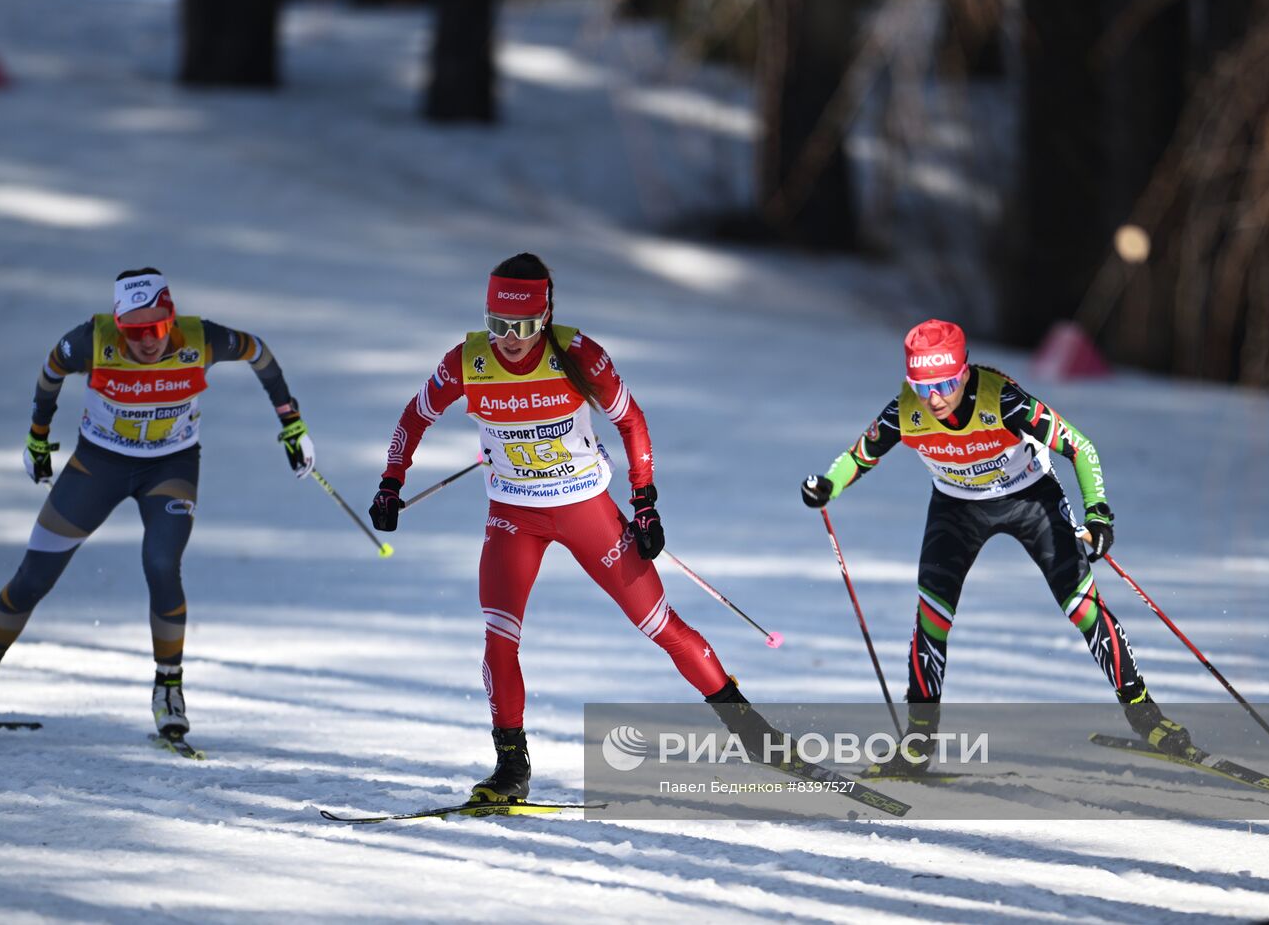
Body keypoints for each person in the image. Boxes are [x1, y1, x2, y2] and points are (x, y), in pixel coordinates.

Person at [370, 252, 766, 803]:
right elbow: (414, 416)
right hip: (513, 514)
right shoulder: (468, 360)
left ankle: (753, 735)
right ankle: (512, 769)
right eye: (499, 326)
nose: (510, 339)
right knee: (499, 641)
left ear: (546, 316)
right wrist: (391, 481)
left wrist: (645, 503)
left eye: (524, 327)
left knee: (660, 626)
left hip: (585, 509)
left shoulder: (578, 355)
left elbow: (631, 420)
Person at [0, 268, 315, 740]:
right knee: (33, 576)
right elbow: (51, 372)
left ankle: (168, 688)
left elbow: (260, 353)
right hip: (97, 466)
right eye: (135, 331)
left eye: (158, 328)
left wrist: (291, 423)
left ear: (172, 318)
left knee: (161, 563)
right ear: (118, 324)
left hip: (170, 468)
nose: (148, 341)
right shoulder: (91, 341)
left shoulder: (202, 338)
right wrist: (38, 438)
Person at [800, 318, 1191, 775]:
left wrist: (1098, 513)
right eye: (922, 386)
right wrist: (828, 486)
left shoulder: (1002, 400)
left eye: (945, 383)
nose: (935, 398)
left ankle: (1148, 717)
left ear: (964, 373)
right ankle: (919, 739)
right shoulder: (905, 410)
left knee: (1082, 605)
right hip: (957, 509)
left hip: (1030, 499)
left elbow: (1080, 448)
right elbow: (858, 457)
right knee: (932, 616)